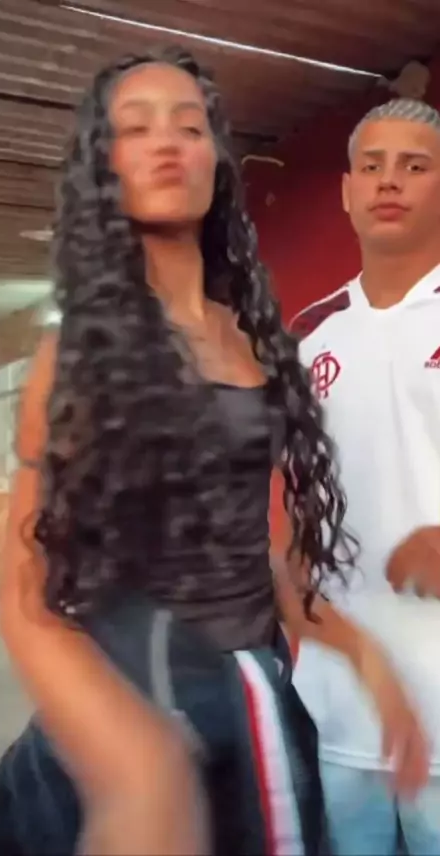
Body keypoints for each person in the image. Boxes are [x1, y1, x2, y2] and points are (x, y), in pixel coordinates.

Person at [0, 52, 428, 856]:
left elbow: (241, 554)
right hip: (133, 701)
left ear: (217, 160)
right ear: (105, 168)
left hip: (257, 704)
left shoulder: (254, 343)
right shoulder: (82, 350)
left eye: (189, 126)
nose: (167, 143)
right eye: (136, 127)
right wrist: (135, 764)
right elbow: (24, 590)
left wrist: (364, 658)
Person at [292, 97, 440, 856]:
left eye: (415, 166)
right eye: (372, 166)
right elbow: (290, 512)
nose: (390, 181)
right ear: (347, 192)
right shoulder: (307, 334)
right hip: (337, 706)